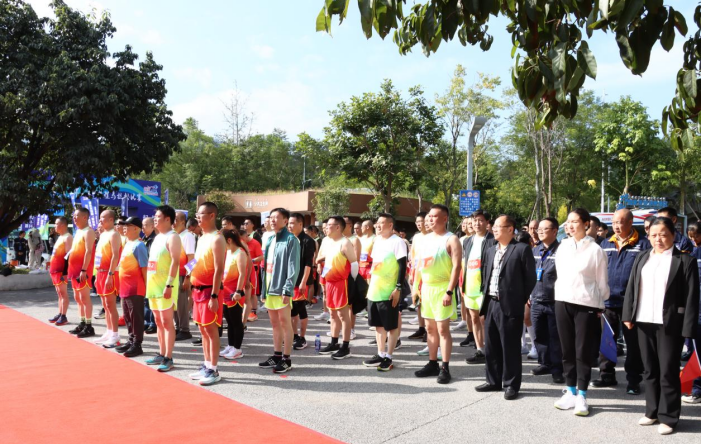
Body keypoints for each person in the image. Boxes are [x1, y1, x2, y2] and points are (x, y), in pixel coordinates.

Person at [622, 216, 700, 435]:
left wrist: (688, 328)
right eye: (654, 235)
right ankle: (652, 411)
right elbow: (632, 286)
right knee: (649, 369)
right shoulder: (643, 257)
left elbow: (692, 296)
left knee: (668, 370)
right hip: (643, 320)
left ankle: (669, 417)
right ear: (648, 236)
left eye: (663, 235)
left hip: (670, 324)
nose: (658, 239)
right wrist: (628, 314)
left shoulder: (684, 261)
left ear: (673, 235)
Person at [553, 208, 609, 417]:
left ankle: (582, 395)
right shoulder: (563, 246)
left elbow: (602, 282)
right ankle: (570, 391)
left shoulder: (596, 250)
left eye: (575, 221)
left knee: (583, 351)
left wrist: (599, 304)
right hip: (562, 301)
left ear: (586, 224)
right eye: (568, 222)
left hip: (586, 304)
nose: (570, 225)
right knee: (567, 349)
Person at [474, 215, 536, 400]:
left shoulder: (521, 249)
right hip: (491, 302)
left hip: (510, 304)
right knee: (491, 345)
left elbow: (530, 278)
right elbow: (485, 273)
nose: (494, 229)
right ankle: (493, 381)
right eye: (494, 226)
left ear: (510, 229)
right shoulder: (490, 250)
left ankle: (511, 384)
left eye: (498, 226)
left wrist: (519, 299)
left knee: (510, 346)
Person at [591, 209, 650, 394]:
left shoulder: (643, 245)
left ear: (630, 222)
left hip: (631, 304)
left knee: (633, 344)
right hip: (608, 302)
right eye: (614, 222)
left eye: (620, 222)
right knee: (607, 341)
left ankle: (633, 380)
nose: (616, 226)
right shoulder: (605, 244)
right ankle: (606, 375)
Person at [413, 204, 462, 384]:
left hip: (442, 288)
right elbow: (419, 266)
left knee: (442, 329)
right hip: (426, 288)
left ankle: (445, 367)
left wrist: (449, 291)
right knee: (430, 329)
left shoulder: (452, 239)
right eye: (429, 216)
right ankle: (432, 363)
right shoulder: (424, 240)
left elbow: (457, 267)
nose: (430, 219)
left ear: (445, 218)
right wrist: (416, 288)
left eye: (434, 216)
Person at [362, 213, 407, 371]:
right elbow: (375, 265)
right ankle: (380, 354)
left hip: (389, 291)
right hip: (375, 290)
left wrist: (398, 288)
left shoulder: (398, 242)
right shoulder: (377, 241)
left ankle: (389, 356)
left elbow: (402, 266)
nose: (378, 225)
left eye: (381, 223)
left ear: (390, 225)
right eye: (377, 223)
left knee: (391, 326)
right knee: (378, 326)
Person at [188, 202, 226, 386]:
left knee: (211, 330)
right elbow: (196, 261)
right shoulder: (202, 237)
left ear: (212, 216)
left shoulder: (217, 239)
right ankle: (206, 364)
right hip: (197, 289)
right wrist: (187, 275)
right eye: (197, 214)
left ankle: (214, 369)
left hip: (209, 291)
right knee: (202, 329)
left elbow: (219, 270)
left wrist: (214, 296)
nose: (198, 218)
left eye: (201, 215)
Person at [259, 208, 300, 373]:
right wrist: (263, 289)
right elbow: (265, 267)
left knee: (285, 323)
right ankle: (276, 355)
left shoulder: (291, 240)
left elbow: (293, 267)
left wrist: (287, 289)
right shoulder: (270, 239)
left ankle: (286, 359)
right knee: (275, 323)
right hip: (270, 287)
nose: (273, 220)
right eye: (271, 217)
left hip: (282, 288)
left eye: (277, 217)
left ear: (285, 221)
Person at [145, 205, 182, 372]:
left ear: (168, 219)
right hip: (153, 286)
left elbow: (175, 261)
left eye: (158, 217)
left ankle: (169, 357)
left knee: (167, 322)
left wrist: (169, 284)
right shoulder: (158, 237)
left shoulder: (173, 237)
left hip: (166, 286)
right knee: (158, 322)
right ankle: (161, 353)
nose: (155, 219)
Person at [317, 215, 358, 359]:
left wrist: (352, 282)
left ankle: (345, 346)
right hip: (329, 282)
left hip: (342, 283)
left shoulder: (345, 243)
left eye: (329, 225)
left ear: (338, 227)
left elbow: (354, 264)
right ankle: (334, 342)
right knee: (333, 314)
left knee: (343, 315)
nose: (326, 228)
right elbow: (321, 257)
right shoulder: (328, 242)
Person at [529, 217, 563, 383]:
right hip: (536, 300)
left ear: (555, 231)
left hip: (554, 301)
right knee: (539, 335)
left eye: (544, 229)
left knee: (555, 337)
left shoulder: (562, 250)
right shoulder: (535, 250)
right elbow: (529, 273)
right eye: (539, 229)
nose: (540, 231)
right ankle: (544, 363)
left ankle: (557, 368)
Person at [462, 209, 495, 364]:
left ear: (487, 222)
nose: (477, 223)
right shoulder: (467, 241)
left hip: (485, 288)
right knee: (474, 318)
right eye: (474, 220)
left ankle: (491, 350)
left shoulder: (493, 240)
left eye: (481, 220)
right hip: (470, 287)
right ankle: (480, 349)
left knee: (484, 320)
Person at [114, 217, 148, 358]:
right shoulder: (128, 243)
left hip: (135, 288)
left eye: (128, 225)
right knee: (128, 316)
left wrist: (147, 288)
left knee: (136, 317)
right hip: (125, 287)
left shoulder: (139, 246)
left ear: (136, 228)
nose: (124, 228)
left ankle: (137, 344)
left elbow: (144, 268)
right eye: (124, 225)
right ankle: (131, 339)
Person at [92, 210, 123, 348]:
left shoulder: (114, 234)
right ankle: (109, 331)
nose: (100, 221)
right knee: (105, 305)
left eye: (103, 218)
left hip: (110, 273)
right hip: (100, 273)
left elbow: (115, 256)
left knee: (110, 305)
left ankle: (115, 335)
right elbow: (99, 256)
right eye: (100, 218)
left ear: (111, 219)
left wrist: (110, 274)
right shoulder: (103, 234)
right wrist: (96, 275)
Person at [219, 228, 250, 361]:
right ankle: (231, 345)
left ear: (229, 240)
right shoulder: (228, 252)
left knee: (236, 322)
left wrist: (238, 291)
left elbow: (242, 274)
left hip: (234, 293)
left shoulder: (240, 253)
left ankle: (237, 349)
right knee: (229, 321)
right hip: (225, 292)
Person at [67, 207, 97, 338]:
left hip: (83, 270)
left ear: (85, 217)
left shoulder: (89, 232)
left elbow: (88, 252)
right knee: (78, 298)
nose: (74, 218)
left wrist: (84, 269)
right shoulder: (78, 231)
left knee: (84, 298)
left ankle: (89, 326)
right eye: (73, 216)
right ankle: (82, 322)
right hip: (74, 270)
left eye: (77, 216)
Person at [288, 213, 315, 350]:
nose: (290, 226)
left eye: (292, 223)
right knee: (291, 310)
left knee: (300, 308)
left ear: (300, 224)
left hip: (300, 281)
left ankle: (302, 337)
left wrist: (303, 281)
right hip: (289, 280)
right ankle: (294, 335)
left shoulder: (308, 241)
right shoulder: (289, 239)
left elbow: (308, 263)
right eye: (288, 223)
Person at [174, 211, 196, 341]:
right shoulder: (175, 236)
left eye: (176, 220)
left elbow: (192, 258)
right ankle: (178, 327)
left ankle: (184, 329)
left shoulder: (187, 236)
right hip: (174, 274)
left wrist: (188, 277)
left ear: (183, 221)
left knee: (182, 304)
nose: (173, 222)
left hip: (182, 275)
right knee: (175, 303)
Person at [408, 211, 429, 343]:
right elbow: (413, 256)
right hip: (417, 273)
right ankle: (421, 328)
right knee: (418, 301)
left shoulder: (432, 236)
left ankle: (428, 329)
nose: (419, 224)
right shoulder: (416, 237)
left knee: (426, 301)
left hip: (428, 272)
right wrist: (412, 273)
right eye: (417, 222)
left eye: (421, 221)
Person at [48, 217, 72, 326]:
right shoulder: (60, 237)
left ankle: (64, 315)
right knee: (59, 293)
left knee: (63, 293)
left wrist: (65, 272)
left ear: (63, 225)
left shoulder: (68, 237)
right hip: (54, 269)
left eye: (56, 224)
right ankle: (60, 313)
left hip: (61, 270)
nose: (55, 226)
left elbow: (68, 256)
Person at [141, 217, 157, 334]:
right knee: (146, 299)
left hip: (153, 273)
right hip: (145, 272)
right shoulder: (143, 239)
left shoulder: (155, 239)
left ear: (152, 226)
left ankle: (153, 323)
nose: (143, 228)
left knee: (152, 299)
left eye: (145, 225)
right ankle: (146, 322)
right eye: (142, 225)